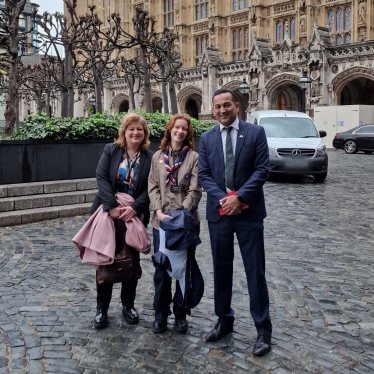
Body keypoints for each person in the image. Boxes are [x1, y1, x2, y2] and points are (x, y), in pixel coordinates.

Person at [198, 89, 272, 356]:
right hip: (219, 214)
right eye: (217, 106)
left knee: (255, 273)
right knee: (221, 270)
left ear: (237, 106)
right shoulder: (206, 138)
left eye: (226, 105)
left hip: (249, 213)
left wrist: (239, 197)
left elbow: (262, 169)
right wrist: (225, 201)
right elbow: (204, 175)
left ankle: (263, 329)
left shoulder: (255, 133)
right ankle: (224, 320)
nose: (221, 110)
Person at [90, 112, 153, 329]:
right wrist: (112, 207)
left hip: (132, 218)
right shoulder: (112, 150)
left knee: (130, 261)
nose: (135, 132)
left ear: (144, 133)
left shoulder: (149, 157)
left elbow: (150, 188)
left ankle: (128, 305)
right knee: (105, 260)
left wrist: (135, 208)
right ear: (124, 132)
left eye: (139, 129)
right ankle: (102, 308)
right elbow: (102, 177)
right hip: (109, 214)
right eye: (131, 129)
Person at [148, 114, 202, 334]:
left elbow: (196, 189)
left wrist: (182, 215)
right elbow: (152, 186)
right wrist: (159, 212)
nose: (179, 131)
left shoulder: (194, 157)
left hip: (185, 223)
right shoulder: (158, 157)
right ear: (169, 130)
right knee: (161, 269)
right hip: (161, 223)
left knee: (183, 269)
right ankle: (160, 314)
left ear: (187, 134)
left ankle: (181, 313)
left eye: (184, 129)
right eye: (176, 127)